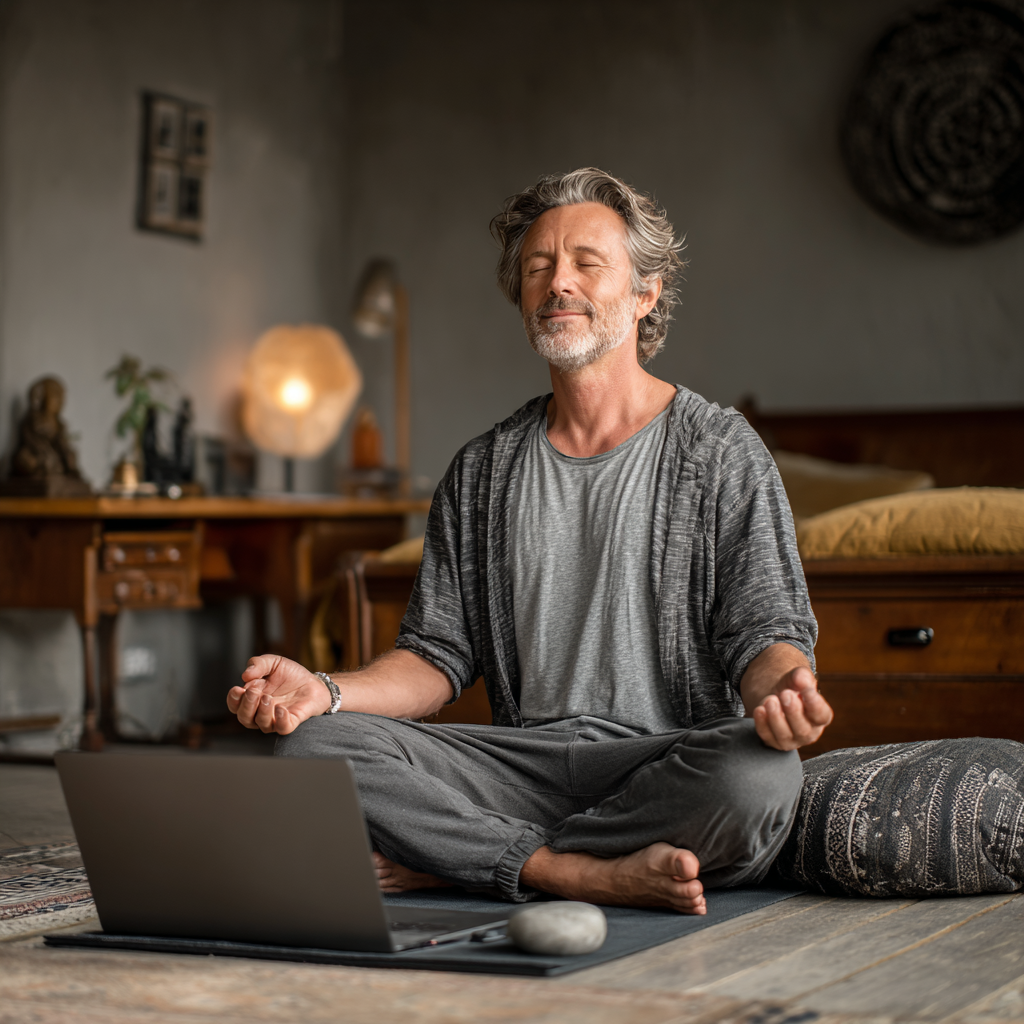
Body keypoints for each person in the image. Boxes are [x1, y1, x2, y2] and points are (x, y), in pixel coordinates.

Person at [227, 168, 832, 915]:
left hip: (659, 762)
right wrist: (325, 692)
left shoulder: (719, 451)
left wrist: (783, 690)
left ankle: (466, 859)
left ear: (645, 293)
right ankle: (570, 872)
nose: (557, 283)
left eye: (586, 262)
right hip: (517, 764)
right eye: (538, 267)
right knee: (308, 748)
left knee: (759, 777)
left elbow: (764, 630)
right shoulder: (483, 469)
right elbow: (436, 656)